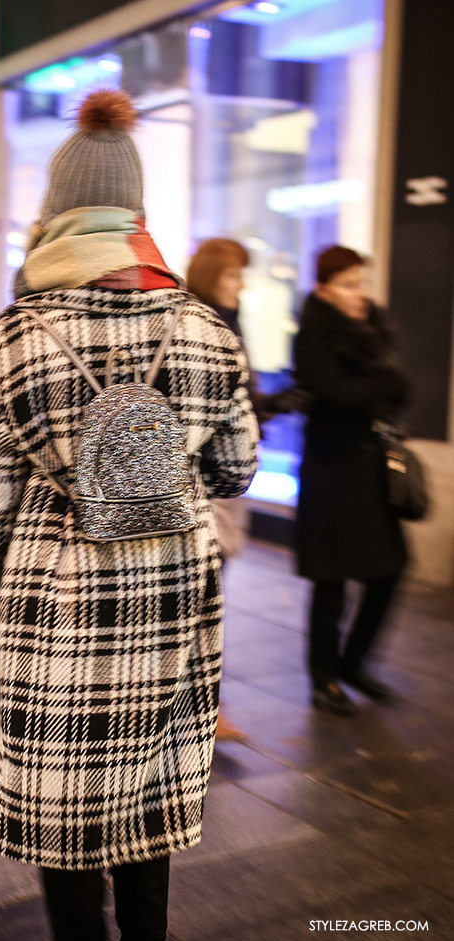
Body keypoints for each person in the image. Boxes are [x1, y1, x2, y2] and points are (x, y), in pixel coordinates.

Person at [0, 90, 258, 941]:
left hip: (59, 599)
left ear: (54, 214)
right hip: (171, 593)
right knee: (148, 784)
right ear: (136, 212)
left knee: (68, 794)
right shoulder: (206, 327)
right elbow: (236, 469)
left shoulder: (15, 333)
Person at [187, 237, 299, 741]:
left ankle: (205, 705)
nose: (241, 285)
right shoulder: (205, 324)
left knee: (208, 590)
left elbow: (238, 401)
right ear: (212, 277)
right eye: (233, 276)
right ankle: (205, 707)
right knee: (203, 592)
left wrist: (270, 404)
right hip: (206, 481)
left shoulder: (225, 323)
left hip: (223, 478)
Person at [294, 245, 408, 716]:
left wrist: (380, 388)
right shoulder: (313, 334)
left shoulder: (372, 328)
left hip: (369, 469)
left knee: (391, 567)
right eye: (347, 284)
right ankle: (324, 679)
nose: (358, 293)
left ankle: (354, 662)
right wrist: (382, 386)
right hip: (330, 471)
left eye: (360, 282)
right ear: (324, 288)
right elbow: (336, 394)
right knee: (332, 579)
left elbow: (399, 390)